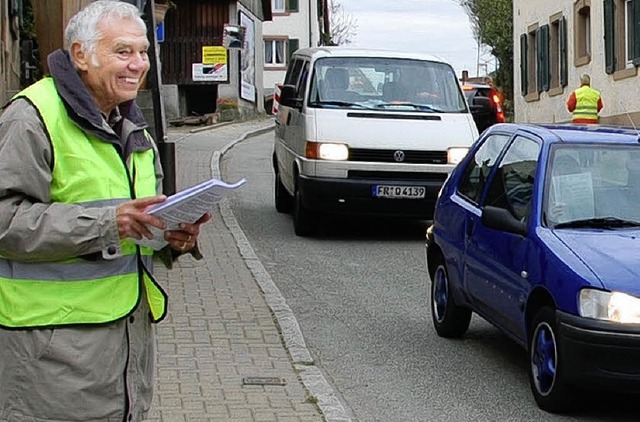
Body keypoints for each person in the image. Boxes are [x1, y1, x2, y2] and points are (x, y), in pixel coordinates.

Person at [0, 2, 211, 421]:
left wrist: (170, 238)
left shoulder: (132, 124)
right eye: (123, 52)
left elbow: (135, 222)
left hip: (123, 356)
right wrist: (106, 224)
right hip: (51, 361)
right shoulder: (31, 118)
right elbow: (6, 219)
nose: (138, 65)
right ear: (81, 55)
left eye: (143, 52)